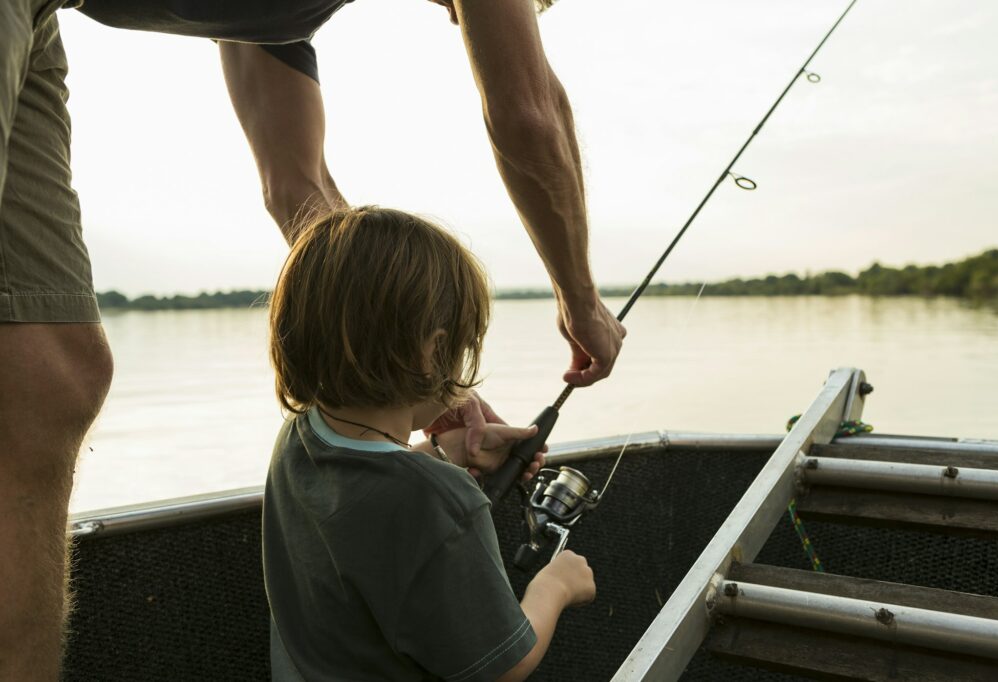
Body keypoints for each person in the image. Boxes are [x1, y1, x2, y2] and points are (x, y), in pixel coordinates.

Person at [0, 0, 623, 678]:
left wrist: (427, 419)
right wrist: (581, 299)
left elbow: (298, 192)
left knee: (53, 377)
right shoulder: (439, 503)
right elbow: (530, 114)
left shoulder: (300, 443)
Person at [264, 206, 596, 680]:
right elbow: (503, 666)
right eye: (459, 349)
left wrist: (447, 454)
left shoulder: (300, 436)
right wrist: (556, 586)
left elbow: (360, 499)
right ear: (436, 351)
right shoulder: (439, 499)